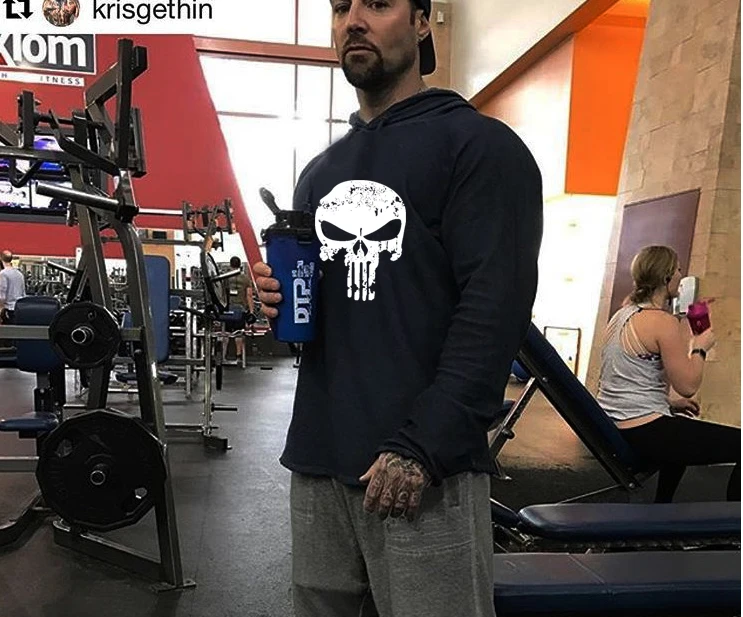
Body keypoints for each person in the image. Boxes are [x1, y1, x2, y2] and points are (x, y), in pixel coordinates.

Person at [253, 1, 543, 615]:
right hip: (319, 456)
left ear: (421, 21)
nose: (353, 20)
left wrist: (424, 446)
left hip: (424, 466)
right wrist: (277, 300)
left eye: (378, 4)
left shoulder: (480, 147)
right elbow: (321, 327)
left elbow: (494, 313)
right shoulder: (319, 174)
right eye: (340, 7)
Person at [597, 245, 740, 503]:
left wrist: (670, 403)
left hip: (615, 421)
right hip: (643, 430)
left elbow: (624, 378)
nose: (681, 276)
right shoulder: (662, 322)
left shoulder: (621, 314)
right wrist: (700, 347)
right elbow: (688, 385)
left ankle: (661, 509)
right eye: (678, 270)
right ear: (666, 277)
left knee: (679, 430)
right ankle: (732, 521)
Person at [226, 256, 256, 361]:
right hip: (240, 310)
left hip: (227, 310)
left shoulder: (225, 278)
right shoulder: (246, 279)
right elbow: (249, 296)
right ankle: (238, 356)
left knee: (225, 333)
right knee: (239, 332)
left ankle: (223, 356)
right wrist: (251, 312)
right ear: (240, 265)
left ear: (230, 265)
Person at [0, 250, 25, 325]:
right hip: (19, 308)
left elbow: (2, 294)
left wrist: (1, 309)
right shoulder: (19, 274)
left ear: (1, 259)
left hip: (8, 309)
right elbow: (23, 292)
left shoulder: (3, 273)